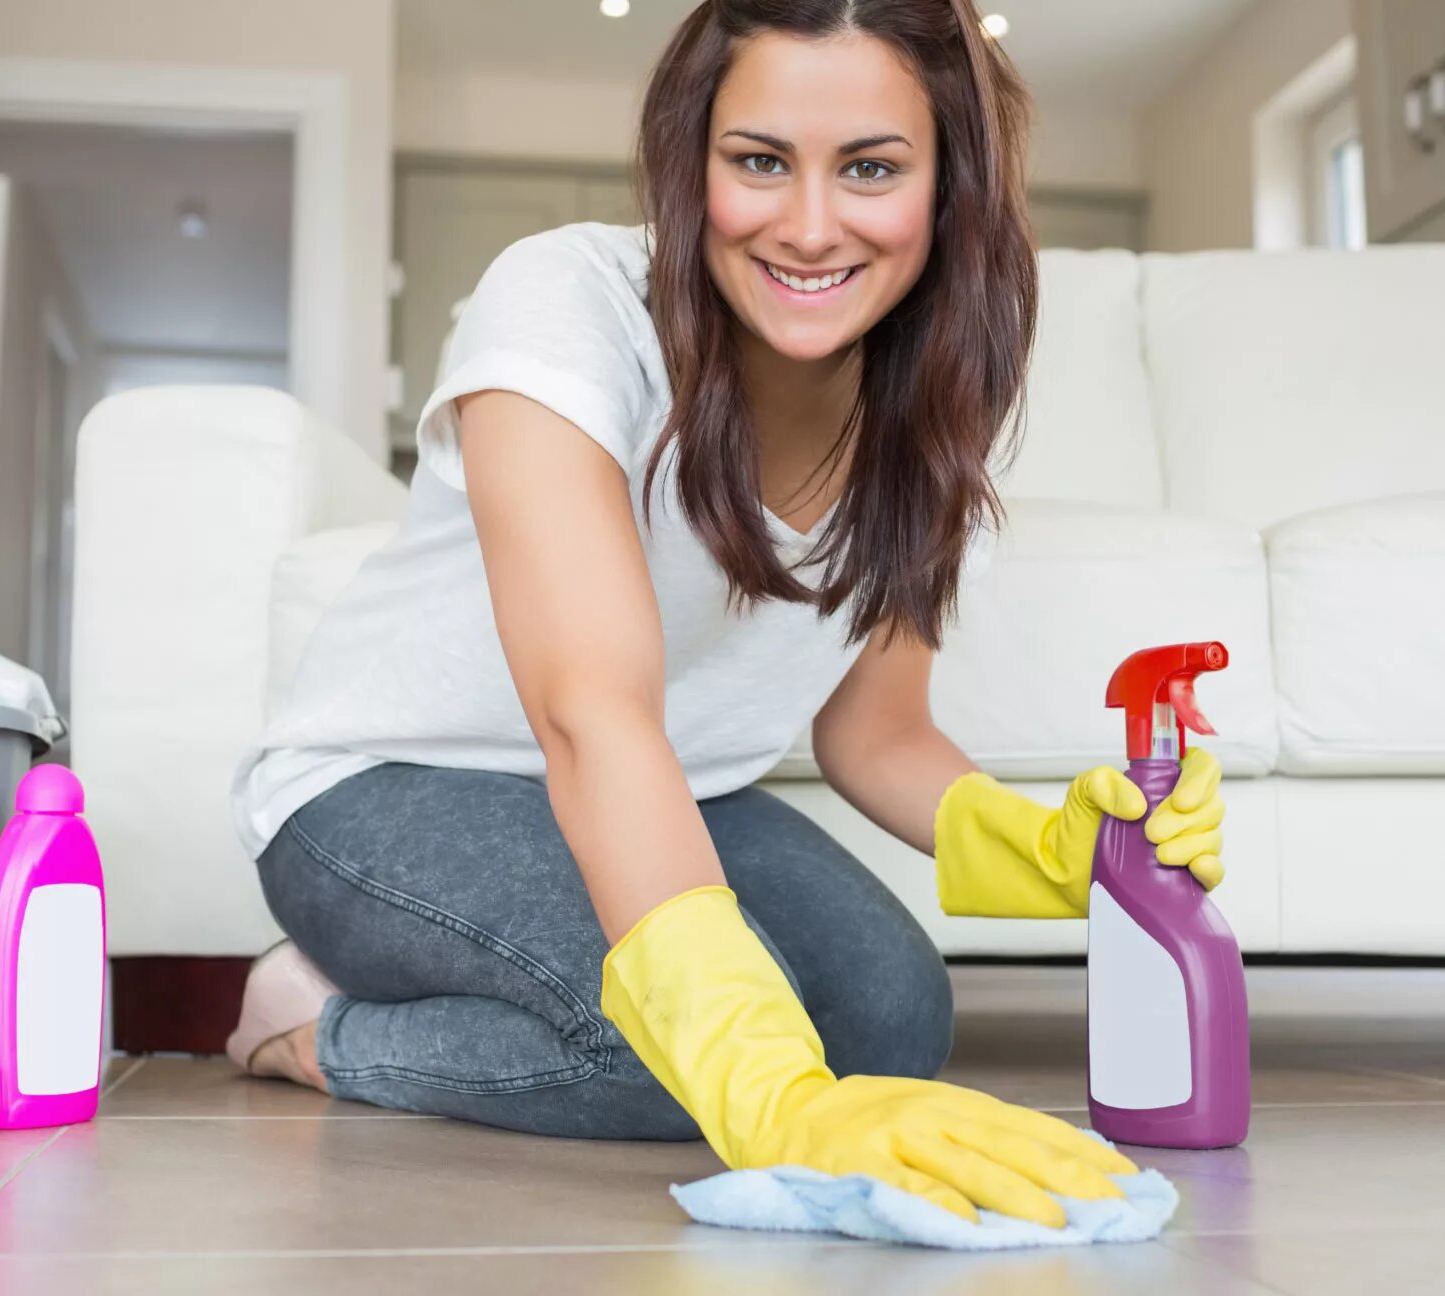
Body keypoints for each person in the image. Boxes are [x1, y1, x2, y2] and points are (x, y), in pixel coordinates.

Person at [225, 0, 1227, 1228]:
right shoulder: (567, 305)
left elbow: (879, 732)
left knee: (891, 1019)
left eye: (870, 167)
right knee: (678, 1052)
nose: (809, 227)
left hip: (674, 788)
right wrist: (775, 1102)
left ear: (947, 180)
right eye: (759, 161)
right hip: (383, 790)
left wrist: (1054, 856)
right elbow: (592, 712)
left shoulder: (921, 406)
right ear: (691, 162)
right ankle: (312, 1029)